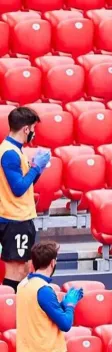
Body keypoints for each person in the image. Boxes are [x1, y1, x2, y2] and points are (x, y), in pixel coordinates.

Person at [0, 107, 51, 292]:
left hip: (21, 218)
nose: (34, 133)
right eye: (33, 129)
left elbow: (26, 183)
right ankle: (8, 313)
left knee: (24, 269)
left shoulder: (15, 150)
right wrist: (36, 168)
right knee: (16, 272)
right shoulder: (9, 153)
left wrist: (38, 169)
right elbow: (18, 188)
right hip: (14, 219)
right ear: (26, 129)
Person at [16, 241, 84, 352]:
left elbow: (40, 313)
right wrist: (70, 305)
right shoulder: (43, 289)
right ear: (52, 263)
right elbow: (65, 324)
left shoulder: (22, 284)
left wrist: (62, 304)